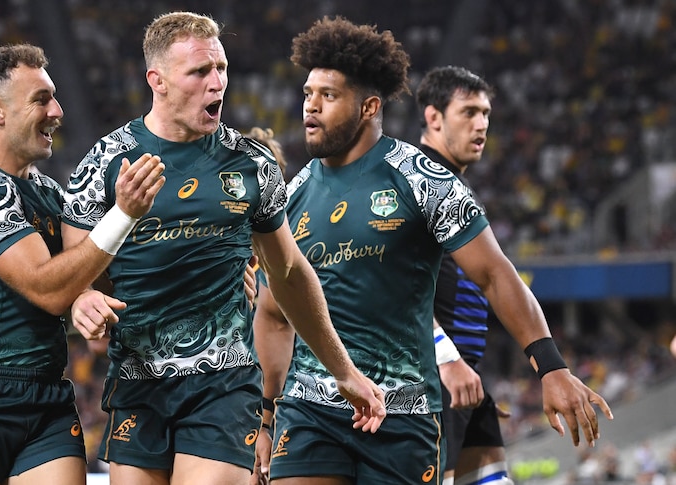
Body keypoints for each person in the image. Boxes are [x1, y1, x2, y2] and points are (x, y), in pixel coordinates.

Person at [252, 16, 613, 485]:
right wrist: (264, 417)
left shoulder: (422, 179)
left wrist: (550, 366)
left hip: (402, 414)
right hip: (309, 413)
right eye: (307, 94)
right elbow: (274, 312)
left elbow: (494, 275)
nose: (311, 107)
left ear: (369, 107)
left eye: (329, 95)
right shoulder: (293, 195)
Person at [60, 12, 386, 485]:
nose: (218, 84)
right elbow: (74, 262)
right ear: (159, 81)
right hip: (137, 384)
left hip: (224, 384)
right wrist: (83, 297)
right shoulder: (107, 161)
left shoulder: (251, 165)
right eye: (199, 72)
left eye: (222, 68)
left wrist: (344, 371)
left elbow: (290, 273)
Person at [0, 43, 166, 485]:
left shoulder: (51, 193)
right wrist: (122, 215)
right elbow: (47, 289)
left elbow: (82, 279)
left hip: (47, 395)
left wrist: (88, 300)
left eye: (54, 96)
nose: (57, 110)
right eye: (41, 99)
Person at [416, 65, 509, 485]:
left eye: (486, 113)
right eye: (468, 112)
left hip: (462, 379)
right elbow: (399, 286)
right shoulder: (418, 182)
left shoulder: (456, 186)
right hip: (429, 378)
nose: (482, 124)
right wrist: (446, 358)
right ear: (434, 117)